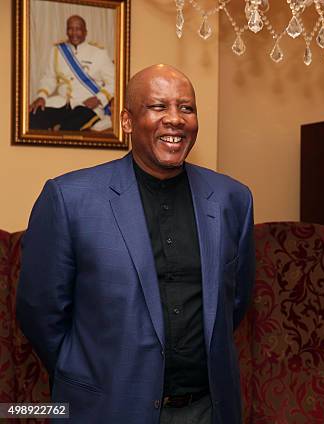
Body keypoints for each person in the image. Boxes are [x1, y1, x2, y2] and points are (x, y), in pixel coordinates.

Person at [17, 64, 255, 424]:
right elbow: (40, 311)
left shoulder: (232, 199)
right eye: (158, 107)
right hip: (107, 408)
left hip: (207, 409)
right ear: (127, 121)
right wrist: (87, 374)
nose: (175, 119)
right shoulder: (69, 199)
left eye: (186, 108)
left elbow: (234, 302)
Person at [29, 15, 114, 131]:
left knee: (68, 128)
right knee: (33, 117)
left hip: (87, 106)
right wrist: (41, 97)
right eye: (70, 28)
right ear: (66, 31)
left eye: (78, 29)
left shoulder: (99, 53)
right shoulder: (57, 51)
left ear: (85, 32)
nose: (74, 33)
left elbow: (115, 82)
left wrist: (99, 98)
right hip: (61, 103)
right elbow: (50, 77)